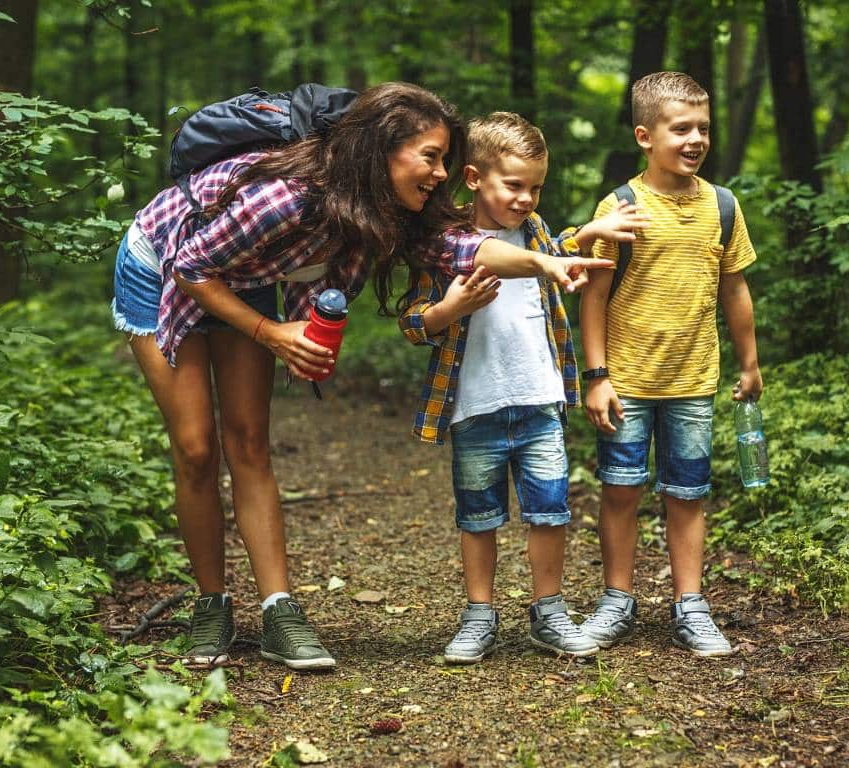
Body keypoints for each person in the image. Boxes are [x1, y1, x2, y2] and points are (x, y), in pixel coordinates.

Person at [111, 83, 610, 670]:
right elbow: (191, 264)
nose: (440, 172)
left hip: (241, 272)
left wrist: (543, 261)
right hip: (164, 262)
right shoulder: (289, 198)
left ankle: (278, 612)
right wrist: (272, 334)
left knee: (248, 442)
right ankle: (211, 606)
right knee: (197, 448)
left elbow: (465, 247)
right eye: (430, 156)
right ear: (382, 149)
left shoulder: (394, 210)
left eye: (445, 158)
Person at [398, 112, 647, 663]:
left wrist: (587, 234)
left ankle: (549, 611)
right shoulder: (445, 242)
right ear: (472, 177)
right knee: (478, 517)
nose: (525, 198)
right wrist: (449, 308)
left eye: (535, 187)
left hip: (539, 401)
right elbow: (413, 321)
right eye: (513, 185)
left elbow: (550, 252)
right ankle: (478, 616)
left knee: (550, 511)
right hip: (474, 406)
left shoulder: (533, 231)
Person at [577, 72, 763, 657]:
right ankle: (617, 601)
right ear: (644, 135)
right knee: (621, 490)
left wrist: (750, 363)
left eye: (702, 128)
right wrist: (596, 376)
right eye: (680, 128)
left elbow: (734, 289)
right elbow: (594, 296)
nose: (694, 139)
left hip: (693, 381)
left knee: (688, 493)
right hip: (627, 382)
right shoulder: (623, 206)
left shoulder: (722, 206)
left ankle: (691, 604)